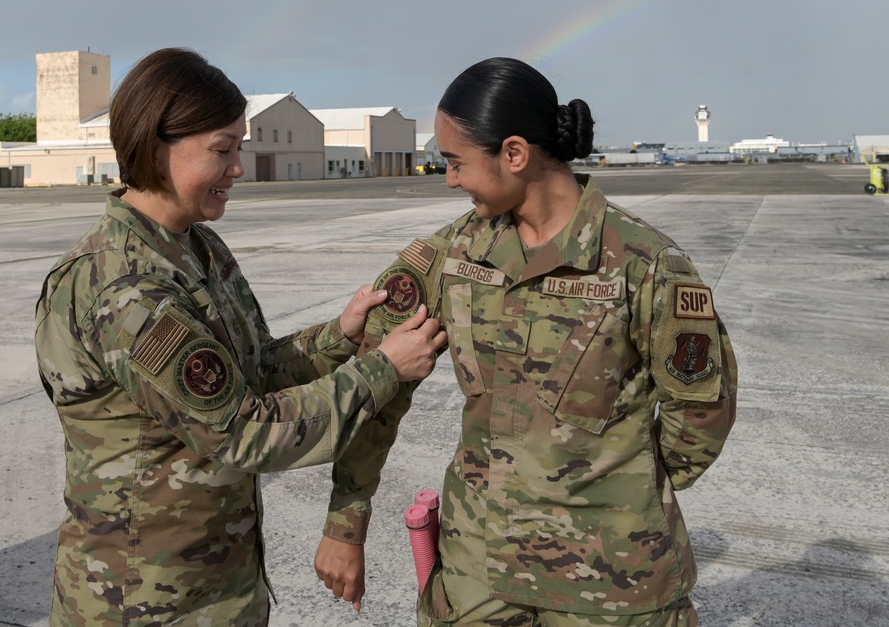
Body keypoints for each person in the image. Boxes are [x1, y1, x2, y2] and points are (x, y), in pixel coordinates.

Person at [314, 57, 738, 626]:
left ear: (514, 154)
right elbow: (382, 386)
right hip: (477, 574)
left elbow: (702, 408)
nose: (450, 179)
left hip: (610, 581)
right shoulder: (452, 256)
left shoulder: (647, 265)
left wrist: (621, 485)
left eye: (457, 162)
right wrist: (347, 524)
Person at [34, 47, 446, 626]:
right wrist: (382, 370)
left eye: (240, 148)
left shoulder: (194, 247)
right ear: (156, 148)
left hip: (216, 584)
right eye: (222, 151)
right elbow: (244, 430)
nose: (238, 168)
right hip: (143, 601)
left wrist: (337, 336)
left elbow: (246, 373)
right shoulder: (127, 291)